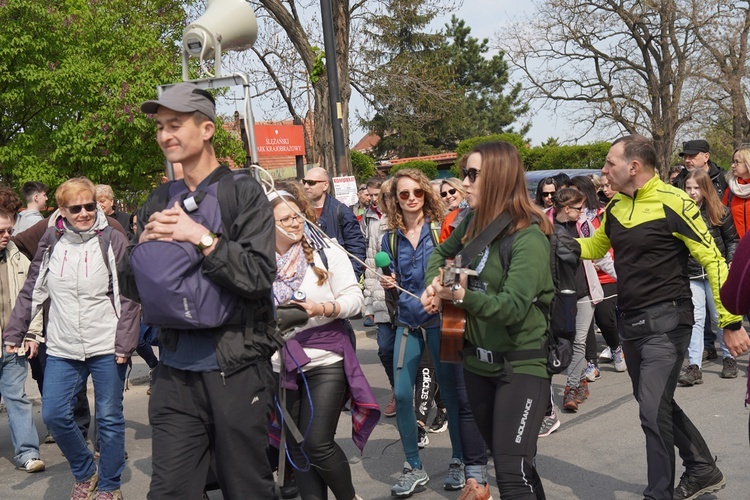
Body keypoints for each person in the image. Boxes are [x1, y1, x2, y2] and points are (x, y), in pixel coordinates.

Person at [123, 82, 278, 499]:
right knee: (170, 491)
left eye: (175, 124)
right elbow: (131, 285)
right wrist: (143, 247)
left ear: (207, 129)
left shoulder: (242, 191)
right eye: (160, 126)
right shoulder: (158, 198)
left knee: (247, 489)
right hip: (173, 372)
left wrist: (201, 238)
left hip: (236, 371)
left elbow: (259, 276)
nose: (164, 135)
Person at [578, 134, 749, 500]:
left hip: (669, 323)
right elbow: (595, 247)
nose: (604, 170)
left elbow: (714, 260)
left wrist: (730, 322)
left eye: (610, 163)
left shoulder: (674, 201)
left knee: (652, 410)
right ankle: (702, 467)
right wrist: (553, 238)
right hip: (631, 324)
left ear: (633, 167)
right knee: (657, 404)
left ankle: (659, 493)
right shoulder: (617, 206)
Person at [424, 141, 553, 499]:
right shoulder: (473, 225)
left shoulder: (529, 236)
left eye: (472, 174)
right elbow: (441, 255)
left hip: (521, 365)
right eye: (465, 173)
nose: (464, 183)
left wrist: (461, 296)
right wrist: (436, 286)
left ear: (498, 178)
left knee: (510, 474)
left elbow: (512, 307)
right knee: (518, 469)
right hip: (476, 365)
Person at [4, 177, 139, 500]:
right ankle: (86, 471)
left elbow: (130, 298)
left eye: (89, 206)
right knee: (54, 414)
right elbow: (33, 288)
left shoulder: (112, 239)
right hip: (63, 345)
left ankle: (109, 485)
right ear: (61, 210)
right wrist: (15, 331)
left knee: (109, 417)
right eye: (75, 208)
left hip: (106, 344)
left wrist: (125, 342)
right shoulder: (52, 239)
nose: (84, 213)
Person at [269, 190, 377, 500]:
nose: (294, 223)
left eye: (297, 215)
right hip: (281, 364)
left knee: (317, 443)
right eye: (285, 219)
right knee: (297, 446)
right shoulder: (259, 261)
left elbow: (355, 300)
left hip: (326, 356)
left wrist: (321, 309)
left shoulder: (326, 249)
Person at [380, 169, 463, 497]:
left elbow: (457, 270)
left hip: (446, 321)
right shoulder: (389, 237)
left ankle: (459, 460)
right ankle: (413, 466)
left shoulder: (440, 230)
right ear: (395, 199)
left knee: (454, 395)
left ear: (426, 195)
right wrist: (389, 281)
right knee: (401, 394)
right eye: (404, 194)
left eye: (418, 192)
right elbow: (392, 273)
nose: (412, 198)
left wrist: (442, 286)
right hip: (408, 323)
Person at [678, 169, 739, 385]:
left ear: (706, 188)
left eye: (697, 188)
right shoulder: (679, 213)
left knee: (720, 317)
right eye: (688, 188)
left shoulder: (720, 211)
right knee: (695, 320)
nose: (692, 192)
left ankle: (729, 358)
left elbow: (732, 240)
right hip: (691, 274)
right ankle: (694, 366)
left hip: (716, 272)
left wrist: (731, 261)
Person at [0, 209, 46, 474]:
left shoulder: (19, 258)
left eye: (9, 230)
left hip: (12, 344)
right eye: (1, 232)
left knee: (17, 398)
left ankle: (28, 453)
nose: (7, 236)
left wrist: (32, 334)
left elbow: (35, 299)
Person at [303, 167, 366, 280]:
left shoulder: (342, 212)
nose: (306, 186)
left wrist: (349, 280)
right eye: (304, 182)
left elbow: (356, 250)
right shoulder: (300, 212)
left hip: (337, 279)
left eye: (311, 183)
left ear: (325, 185)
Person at [723, 145, 750, 238]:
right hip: (738, 247)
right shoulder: (730, 190)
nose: (732, 165)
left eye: (737, 162)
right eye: (733, 161)